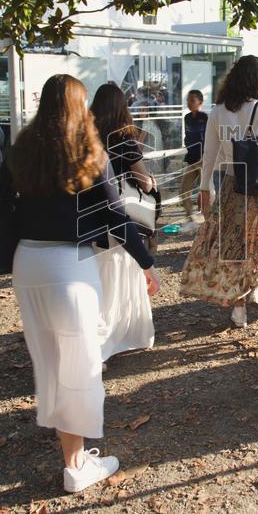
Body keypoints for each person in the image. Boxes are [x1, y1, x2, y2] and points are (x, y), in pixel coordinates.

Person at [0, 74, 160, 493]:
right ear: (78, 107)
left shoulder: (22, 151)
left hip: (26, 263)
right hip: (70, 266)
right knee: (79, 365)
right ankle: (75, 465)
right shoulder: (89, 152)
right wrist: (146, 263)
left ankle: (72, 451)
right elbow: (117, 216)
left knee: (48, 360)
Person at [180, 55, 258, 327]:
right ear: (257, 79)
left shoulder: (218, 110)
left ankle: (238, 309)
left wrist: (203, 188)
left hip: (230, 189)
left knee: (233, 249)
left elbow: (209, 155)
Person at [89, 83, 158, 359]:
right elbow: (143, 180)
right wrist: (151, 183)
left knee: (101, 281)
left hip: (92, 218)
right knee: (122, 275)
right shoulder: (124, 138)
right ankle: (117, 337)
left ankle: (97, 339)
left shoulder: (87, 137)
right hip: (122, 215)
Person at [180, 89, 208, 233]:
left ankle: (207, 222)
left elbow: (209, 140)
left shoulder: (206, 117)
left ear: (200, 102)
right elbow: (188, 137)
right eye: (188, 100)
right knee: (184, 189)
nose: (189, 103)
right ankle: (191, 219)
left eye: (192, 100)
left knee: (205, 192)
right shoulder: (187, 117)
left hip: (204, 159)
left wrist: (205, 157)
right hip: (192, 159)